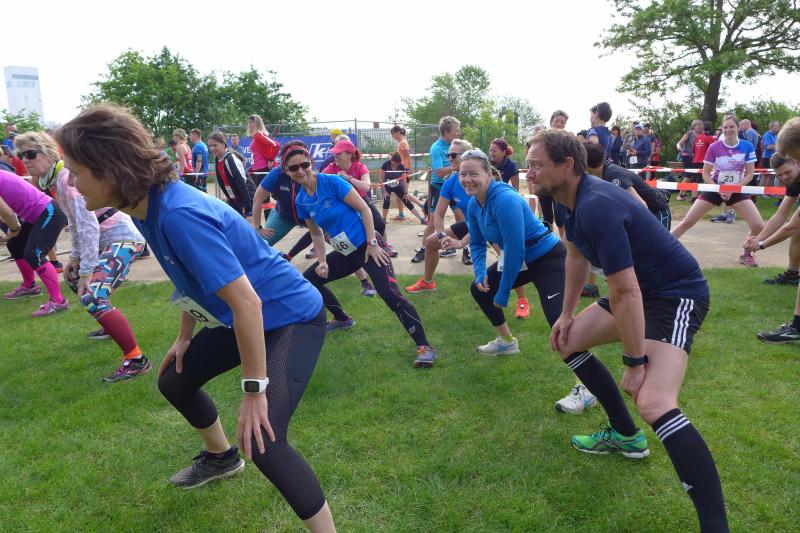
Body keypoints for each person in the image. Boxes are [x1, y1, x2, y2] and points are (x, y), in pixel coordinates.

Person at [56, 104, 336, 531]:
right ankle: (222, 458)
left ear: (109, 168)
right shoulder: (146, 205)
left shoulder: (177, 213)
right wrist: (185, 336)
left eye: (76, 172)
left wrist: (254, 390)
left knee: (264, 439)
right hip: (248, 315)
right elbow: (188, 276)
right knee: (175, 380)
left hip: (290, 316)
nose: (73, 184)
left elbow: (248, 304)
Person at [530, 129, 728, 532]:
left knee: (654, 402)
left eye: (536, 165)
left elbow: (625, 292)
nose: (529, 172)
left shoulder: (597, 205)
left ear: (566, 166)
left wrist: (635, 363)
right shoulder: (565, 200)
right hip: (640, 291)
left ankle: (715, 526)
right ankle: (624, 435)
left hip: (675, 295)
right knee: (567, 341)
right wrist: (566, 314)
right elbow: (575, 255)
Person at [285, 143, 437, 369]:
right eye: (293, 168)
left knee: (389, 294)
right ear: (287, 171)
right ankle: (342, 319)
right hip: (346, 253)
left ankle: (424, 347)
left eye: (304, 165)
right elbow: (316, 232)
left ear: (311, 163)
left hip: (368, 247)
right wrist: (323, 261)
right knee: (310, 280)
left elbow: (365, 209)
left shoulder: (332, 181)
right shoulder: (301, 200)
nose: (300, 170)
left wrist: (373, 243)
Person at [452, 148, 565, 356]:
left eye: (473, 174)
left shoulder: (505, 200)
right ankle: (507, 343)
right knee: (480, 289)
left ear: (488, 174)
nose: (467, 179)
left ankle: (585, 374)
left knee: (558, 324)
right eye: (463, 174)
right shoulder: (474, 203)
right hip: (523, 259)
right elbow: (476, 242)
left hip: (547, 258)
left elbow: (514, 251)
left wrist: (503, 292)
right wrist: (480, 273)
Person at [55, 161, 149, 381]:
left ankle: (137, 360)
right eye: (23, 155)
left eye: (31, 155)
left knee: (92, 295)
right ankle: (109, 326)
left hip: (124, 239)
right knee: (73, 278)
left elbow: (88, 226)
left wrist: (87, 270)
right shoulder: (58, 180)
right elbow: (74, 223)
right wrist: (75, 258)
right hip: (107, 242)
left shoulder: (64, 181)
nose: (26, 160)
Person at [671, 115, 765, 267]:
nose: (728, 130)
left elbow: (749, 174)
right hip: (714, 187)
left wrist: (734, 189)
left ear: (737, 128)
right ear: (722, 128)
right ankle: (663, 249)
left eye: (731, 126)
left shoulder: (747, 146)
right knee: (687, 222)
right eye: (725, 127)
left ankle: (746, 253)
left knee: (758, 225)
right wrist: (718, 189)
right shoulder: (714, 147)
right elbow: (705, 173)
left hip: (737, 189)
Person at [751, 118, 800, 340]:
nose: (783, 179)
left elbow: (792, 225)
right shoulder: (795, 182)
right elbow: (781, 215)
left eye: (795, 156)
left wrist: (762, 244)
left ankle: (796, 328)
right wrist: (757, 239)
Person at [405, 139, 474, 294]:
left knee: (508, 257)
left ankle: (521, 299)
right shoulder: (451, 180)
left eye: (454, 155)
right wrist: (442, 236)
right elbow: (438, 213)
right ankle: (427, 282)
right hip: (471, 224)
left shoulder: (480, 178)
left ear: (467, 156)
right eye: (448, 155)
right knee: (430, 242)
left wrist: (464, 241)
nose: (449, 158)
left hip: (491, 224)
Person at [0, 168, 68, 316]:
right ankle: (30, 286)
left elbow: (8, 214)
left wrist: (14, 229)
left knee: (34, 254)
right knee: (15, 245)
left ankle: (58, 301)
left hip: (49, 212)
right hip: (39, 215)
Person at [489, 138, 531, 318]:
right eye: (490, 150)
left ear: (503, 152)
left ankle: (522, 301)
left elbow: (515, 192)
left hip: (501, 215)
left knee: (508, 258)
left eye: (494, 150)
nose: (491, 153)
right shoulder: (484, 163)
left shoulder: (511, 166)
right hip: (483, 215)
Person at [585, 141, 672, 229]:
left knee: (659, 238)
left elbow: (641, 205)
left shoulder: (612, 175)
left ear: (585, 163)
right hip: (644, 212)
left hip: (656, 211)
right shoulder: (601, 172)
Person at [411, 116, 461, 264]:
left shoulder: (458, 145)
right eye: (456, 131)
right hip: (439, 187)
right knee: (433, 222)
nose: (459, 133)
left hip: (455, 185)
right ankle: (423, 249)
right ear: (446, 132)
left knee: (462, 220)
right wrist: (456, 166)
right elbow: (438, 172)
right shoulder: (436, 148)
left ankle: (465, 250)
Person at [207, 132, 255, 219]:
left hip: (247, 199)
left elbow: (242, 183)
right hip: (235, 200)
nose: (212, 148)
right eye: (210, 146)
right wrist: (230, 198)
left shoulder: (230, 159)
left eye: (215, 145)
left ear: (223, 144)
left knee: (247, 226)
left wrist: (248, 209)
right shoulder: (218, 159)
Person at [537, 110, 569, 238]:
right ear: (551, 122)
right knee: (547, 216)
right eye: (557, 121)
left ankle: (564, 244)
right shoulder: (542, 139)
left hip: (559, 183)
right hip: (544, 181)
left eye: (563, 122)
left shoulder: (567, 141)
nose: (559, 124)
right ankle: (550, 243)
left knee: (561, 216)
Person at [379, 152, 425, 223]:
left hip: (398, 186)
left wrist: (405, 193)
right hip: (387, 186)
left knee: (406, 200)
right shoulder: (385, 164)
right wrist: (384, 191)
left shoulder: (401, 166)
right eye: (394, 163)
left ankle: (421, 219)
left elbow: (404, 180)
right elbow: (381, 179)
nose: (396, 165)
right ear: (391, 160)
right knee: (386, 201)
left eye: (397, 163)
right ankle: (384, 219)